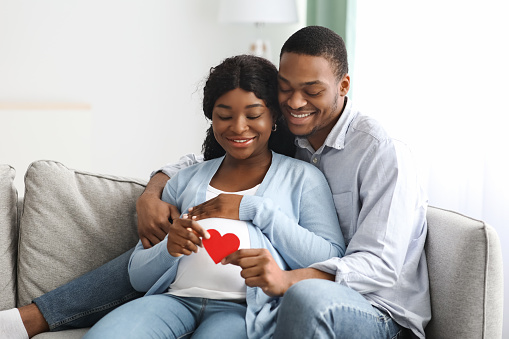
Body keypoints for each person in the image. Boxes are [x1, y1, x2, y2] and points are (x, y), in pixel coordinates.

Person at [0, 25, 430, 339]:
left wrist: (280, 266)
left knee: (304, 299)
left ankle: (34, 317)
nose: (297, 102)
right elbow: (206, 161)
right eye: (286, 89)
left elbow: (377, 267)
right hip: (178, 296)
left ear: (344, 86)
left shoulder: (372, 155)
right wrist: (153, 193)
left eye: (312, 91)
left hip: (375, 306)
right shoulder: (298, 138)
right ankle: (29, 318)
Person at [82, 54, 344, 338]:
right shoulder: (184, 180)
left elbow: (330, 258)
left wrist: (255, 209)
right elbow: (137, 275)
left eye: (253, 115)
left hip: (242, 311)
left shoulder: (303, 178)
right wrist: (169, 247)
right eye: (224, 116)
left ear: (274, 117)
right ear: (211, 117)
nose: (238, 127)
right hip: (173, 301)